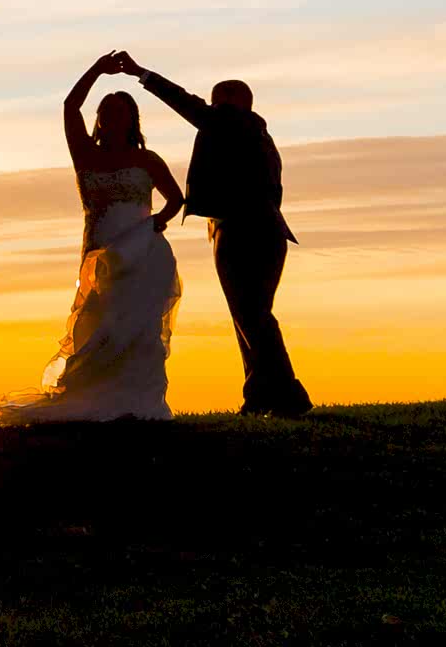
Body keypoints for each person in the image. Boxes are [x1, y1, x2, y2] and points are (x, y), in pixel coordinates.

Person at [93, 48, 314, 415]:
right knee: (250, 315)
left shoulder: (230, 122)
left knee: (252, 315)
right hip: (265, 232)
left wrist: (141, 74)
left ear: (229, 101)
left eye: (217, 102)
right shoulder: (259, 134)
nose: (213, 109)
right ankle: (258, 396)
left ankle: (290, 395)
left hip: (241, 230)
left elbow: (186, 103)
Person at [0, 81, 185, 423]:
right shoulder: (86, 154)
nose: (111, 119)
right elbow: (69, 106)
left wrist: (155, 225)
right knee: (100, 322)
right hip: (100, 249)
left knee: (139, 327)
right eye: (105, 113)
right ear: (98, 120)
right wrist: (98, 69)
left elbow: (177, 199)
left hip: (142, 252)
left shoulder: (146, 159)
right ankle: (93, 396)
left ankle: (139, 402)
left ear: (132, 120)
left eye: (119, 113)